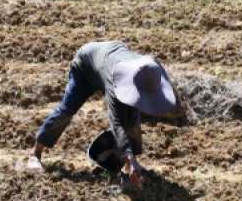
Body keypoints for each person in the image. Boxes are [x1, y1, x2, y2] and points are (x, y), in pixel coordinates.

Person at [29, 41, 177, 190]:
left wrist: (131, 159)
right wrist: (130, 158)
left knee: (132, 114)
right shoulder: (116, 82)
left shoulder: (149, 71)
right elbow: (117, 124)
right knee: (66, 111)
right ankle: (36, 154)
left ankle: (130, 163)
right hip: (85, 66)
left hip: (108, 57)